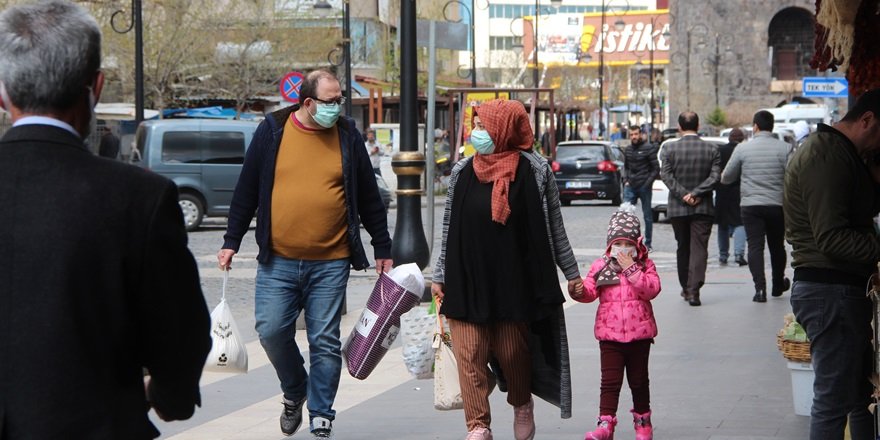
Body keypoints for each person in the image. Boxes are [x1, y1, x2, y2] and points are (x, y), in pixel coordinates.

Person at [0, 2, 211, 438]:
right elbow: (179, 330)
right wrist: (172, 394)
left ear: (3, 93)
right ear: (94, 86)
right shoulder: (138, 197)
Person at [217, 69, 393, 439]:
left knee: (324, 340)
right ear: (308, 102)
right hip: (278, 259)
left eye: (339, 99)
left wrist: (382, 245)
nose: (337, 107)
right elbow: (247, 188)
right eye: (330, 101)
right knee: (270, 330)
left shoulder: (346, 134)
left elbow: (368, 194)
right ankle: (296, 390)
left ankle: (321, 414)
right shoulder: (273, 130)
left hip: (331, 260)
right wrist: (231, 241)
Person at [431, 99, 582, 440]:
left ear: (504, 129)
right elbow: (449, 224)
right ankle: (478, 425)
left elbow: (553, 227)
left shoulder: (535, 170)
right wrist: (439, 274)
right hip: (467, 276)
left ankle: (521, 402)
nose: (477, 132)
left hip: (515, 281)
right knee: (469, 353)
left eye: (483, 126)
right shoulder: (462, 171)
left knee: (514, 352)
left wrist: (572, 275)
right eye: (476, 125)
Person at [784, 88, 880, 440]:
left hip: (836, 291)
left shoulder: (841, 154)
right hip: (829, 291)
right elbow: (832, 238)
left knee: (859, 394)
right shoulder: (827, 155)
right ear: (867, 120)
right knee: (833, 399)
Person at [576, 205, 661, 440]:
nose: (623, 250)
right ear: (609, 246)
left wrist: (631, 269)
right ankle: (605, 424)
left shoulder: (645, 266)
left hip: (640, 335)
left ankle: (643, 422)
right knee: (609, 382)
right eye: (618, 245)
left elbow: (651, 290)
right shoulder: (601, 266)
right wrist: (578, 291)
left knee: (638, 381)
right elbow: (590, 292)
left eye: (628, 245)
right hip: (609, 336)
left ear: (637, 246)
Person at [721, 110, 791, 302]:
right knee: (777, 246)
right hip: (777, 204)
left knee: (755, 246)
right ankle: (778, 284)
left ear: (755, 126)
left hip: (751, 205)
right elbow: (793, 177)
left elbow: (726, 177)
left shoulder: (743, 149)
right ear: (772, 126)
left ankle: (760, 289)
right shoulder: (785, 148)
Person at [660, 112, 721, 306]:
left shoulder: (669, 148)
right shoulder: (711, 149)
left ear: (679, 127)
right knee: (699, 248)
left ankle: (686, 287)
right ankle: (694, 290)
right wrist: (696, 193)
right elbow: (715, 177)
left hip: (678, 207)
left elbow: (666, 176)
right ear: (698, 125)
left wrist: (683, 194)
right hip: (702, 206)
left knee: (683, 247)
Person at [622, 125, 660, 250]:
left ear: (641, 134)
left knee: (648, 216)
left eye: (636, 134)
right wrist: (626, 180)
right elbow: (626, 167)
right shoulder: (627, 150)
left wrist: (647, 183)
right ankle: (627, 242)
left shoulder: (648, 148)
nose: (634, 136)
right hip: (631, 186)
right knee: (626, 215)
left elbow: (655, 169)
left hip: (644, 186)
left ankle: (648, 244)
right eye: (632, 134)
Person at [714, 128, 747, 266]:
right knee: (739, 222)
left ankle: (723, 255)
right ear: (742, 139)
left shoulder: (720, 151)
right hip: (739, 190)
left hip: (722, 191)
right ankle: (739, 254)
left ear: (729, 138)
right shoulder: (744, 150)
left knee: (722, 225)